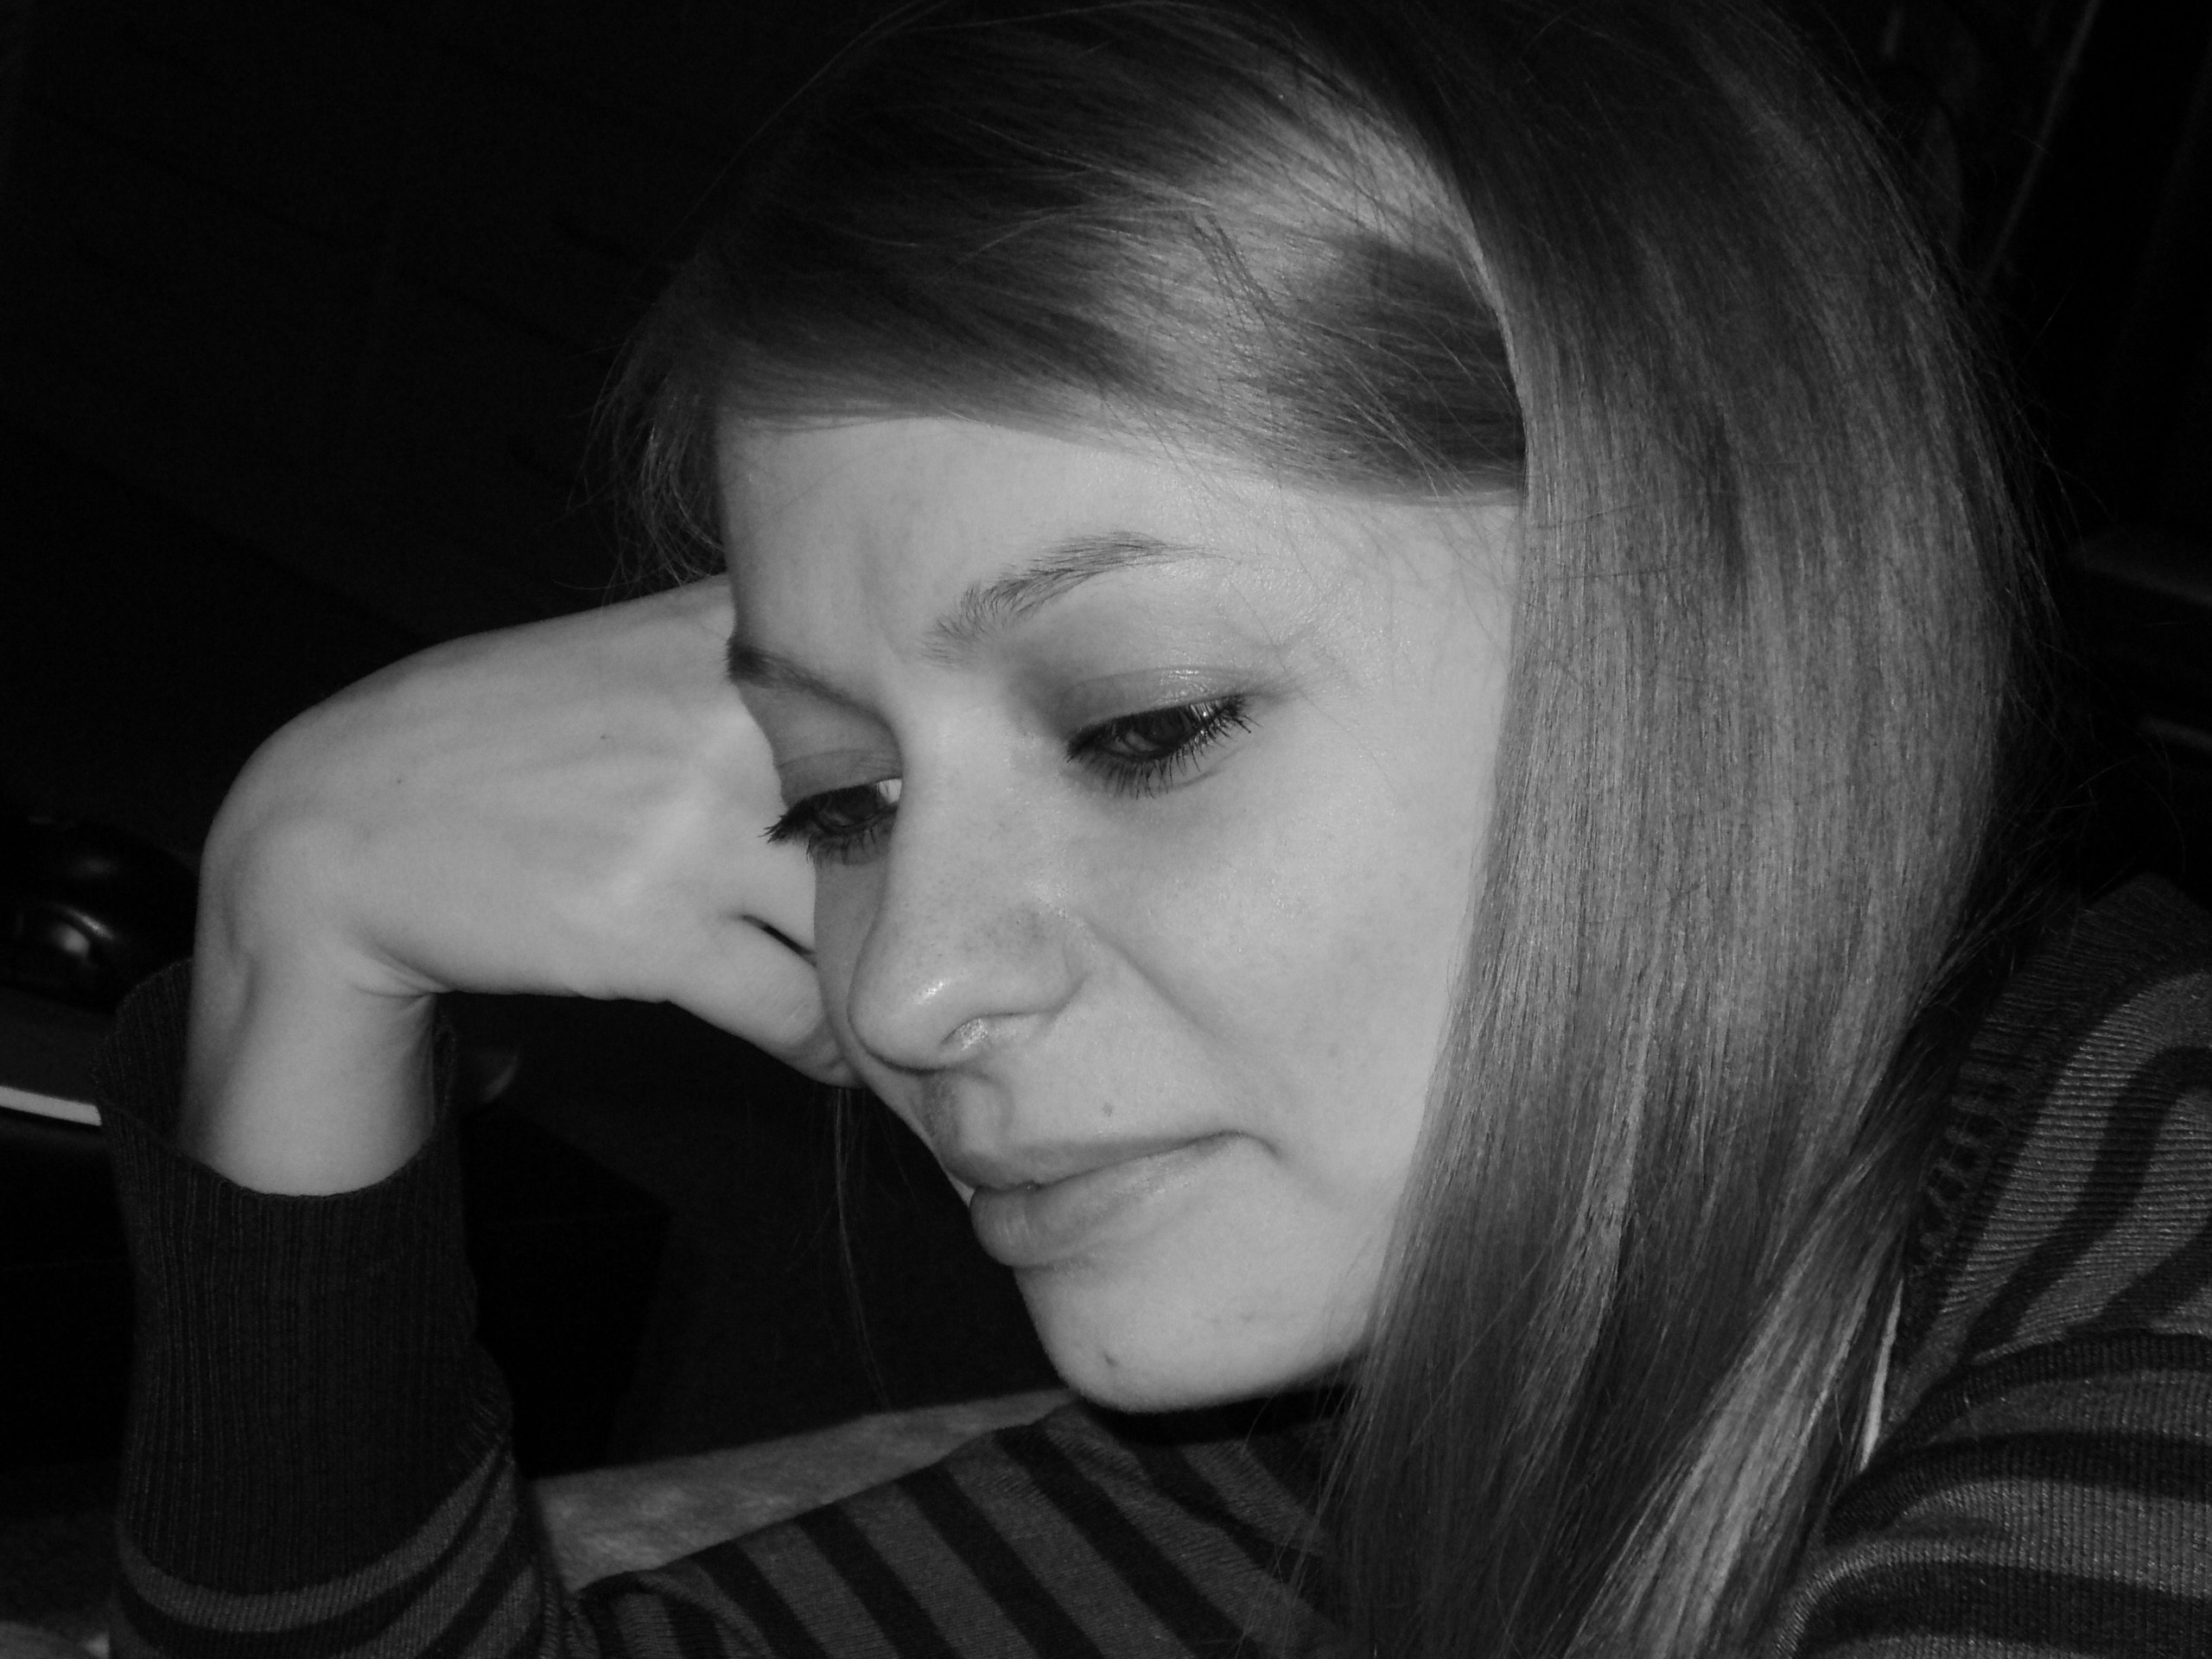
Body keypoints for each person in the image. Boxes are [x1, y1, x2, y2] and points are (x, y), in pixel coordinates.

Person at [93, 0, 2212, 1655]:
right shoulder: (1414, 1381)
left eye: (1145, 726)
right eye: (841, 795)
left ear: (1722, 627)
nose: (904, 991)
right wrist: (306, 911)